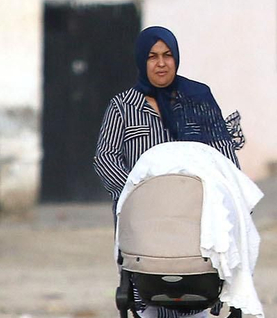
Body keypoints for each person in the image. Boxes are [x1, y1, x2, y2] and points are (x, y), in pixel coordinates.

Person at [95, 26, 243, 206]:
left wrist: (234, 199)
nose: (161, 63)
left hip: (194, 209)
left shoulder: (197, 99)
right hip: (141, 211)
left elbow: (222, 151)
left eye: (167, 55)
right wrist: (134, 192)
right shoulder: (122, 106)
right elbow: (106, 157)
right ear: (141, 60)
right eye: (152, 57)